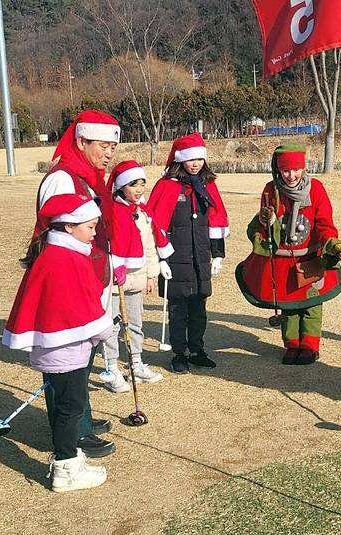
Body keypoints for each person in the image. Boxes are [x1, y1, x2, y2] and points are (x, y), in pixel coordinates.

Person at [3, 194, 114, 491]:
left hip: (62, 347)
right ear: (68, 226)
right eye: (90, 227)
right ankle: (65, 468)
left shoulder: (59, 253)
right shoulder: (64, 258)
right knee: (70, 407)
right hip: (64, 350)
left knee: (69, 405)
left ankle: (71, 459)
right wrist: (104, 330)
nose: (94, 233)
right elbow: (76, 306)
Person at [31, 109, 120, 458]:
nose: (109, 152)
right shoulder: (63, 179)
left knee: (83, 356)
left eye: (113, 145)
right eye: (103, 145)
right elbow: (54, 235)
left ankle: (80, 418)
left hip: (89, 277)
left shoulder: (89, 177)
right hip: (70, 283)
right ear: (81, 141)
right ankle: (71, 432)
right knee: (66, 360)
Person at [236, 144, 341, 365]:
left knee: (311, 306)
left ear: (303, 168)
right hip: (283, 260)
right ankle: (292, 344)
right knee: (289, 307)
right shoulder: (271, 190)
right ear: (278, 170)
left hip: (310, 258)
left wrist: (332, 243)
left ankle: (309, 347)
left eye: (296, 170)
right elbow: (266, 227)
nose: (291, 175)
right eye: (286, 171)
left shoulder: (316, 189)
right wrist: (267, 220)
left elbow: (324, 223)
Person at [147, 133, 229, 373]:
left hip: (200, 258)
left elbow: (216, 221)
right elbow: (156, 224)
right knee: (178, 310)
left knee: (199, 309)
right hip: (175, 259)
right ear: (180, 160)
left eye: (199, 159)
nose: (195, 164)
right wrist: (161, 258)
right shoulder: (166, 186)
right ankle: (179, 352)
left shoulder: (208, 186)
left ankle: (197, 349)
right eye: (190, 159)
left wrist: (218, 254)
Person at [103, 160, 174, 391]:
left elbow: (150, 244)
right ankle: (111, 367)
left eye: (142, 184)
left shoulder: (143, 211)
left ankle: (135, 363)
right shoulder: (111, 210)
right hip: (115, 281)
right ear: (122, 186)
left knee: (135, 323)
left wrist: (152, 275)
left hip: (137, 278)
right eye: (134, 185)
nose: (139, 190)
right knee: (112, 326)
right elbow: (107, 244)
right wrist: (115, 267)